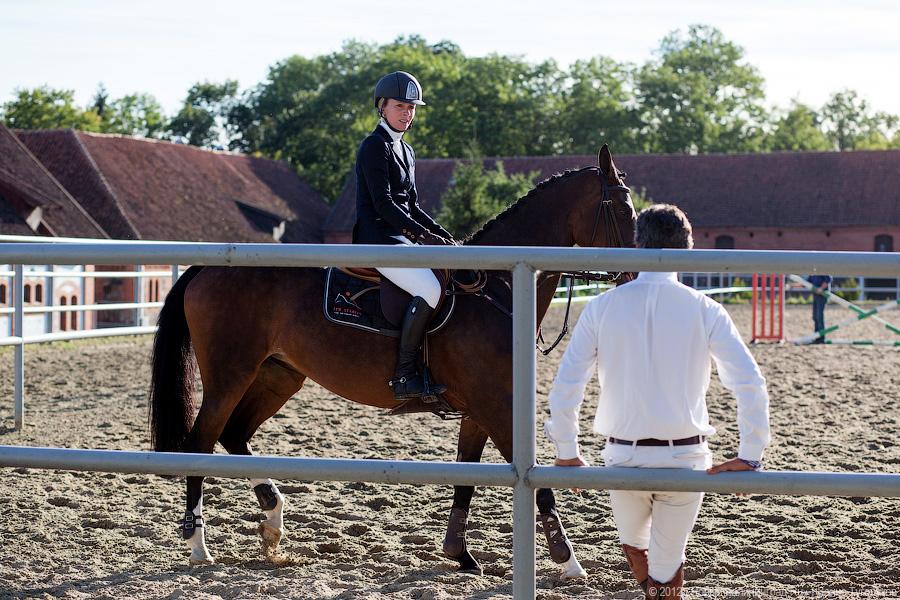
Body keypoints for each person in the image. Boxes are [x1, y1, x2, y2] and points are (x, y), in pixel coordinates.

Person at [544, 204, 771, 599]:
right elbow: (749, 382)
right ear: (689, 247)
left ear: (637, 245)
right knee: (662, 567)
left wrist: (567, 449)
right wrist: (750, 453)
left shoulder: (601, 307)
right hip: (685, 459)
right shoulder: (706, 309)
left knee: (639, 552)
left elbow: (567, 383)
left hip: (623, 457)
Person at [353, 70, 456, 403]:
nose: (407, 113)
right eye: (400, 106)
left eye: (411, 108)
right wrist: (422, 236)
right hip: (377, 240)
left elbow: (413, 206)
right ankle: (403, 374)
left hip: (402, 240)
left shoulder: (406, 151)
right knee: (429, 289)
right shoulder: (374, 146)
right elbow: (384, 204)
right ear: (382, 106)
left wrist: (445, 237)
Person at [808, 274, 832, 343]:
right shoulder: (813, 271)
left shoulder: (822, 268)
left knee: (819, 317)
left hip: (822, 295)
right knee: (815, 317)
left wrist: (821, 288)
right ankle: (817, 336)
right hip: (815, 295)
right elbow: (807, 282)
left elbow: (828, 279)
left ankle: (821, 337)